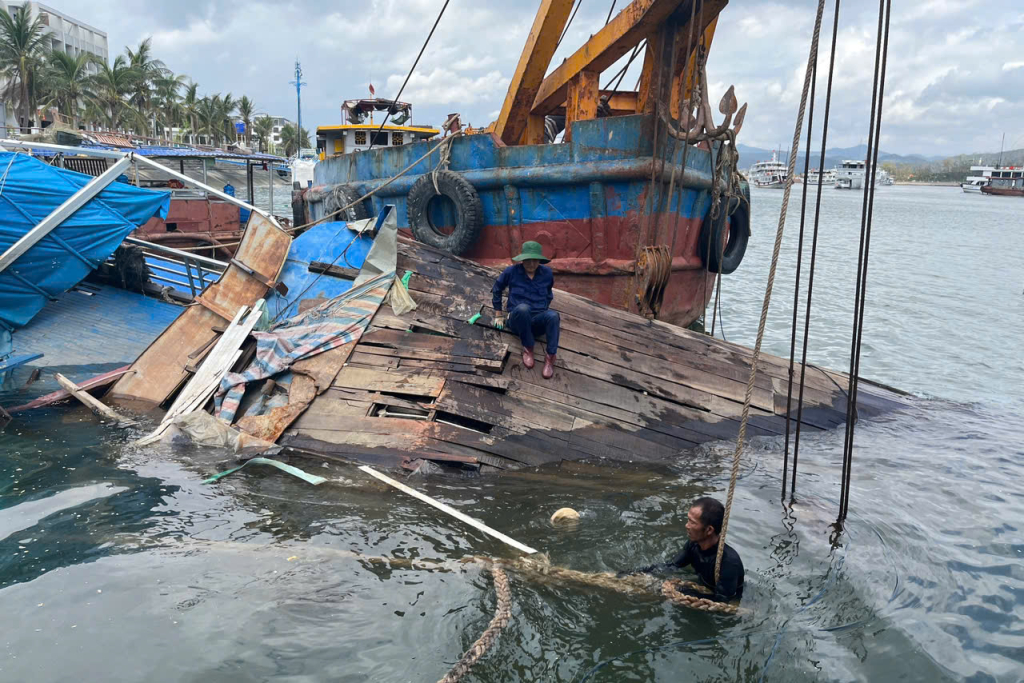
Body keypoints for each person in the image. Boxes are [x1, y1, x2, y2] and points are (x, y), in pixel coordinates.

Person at [627, 496, 744, 603]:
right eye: (688, 520)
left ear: (709, 530)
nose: (686, 526)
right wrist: (637, 572)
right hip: (703, 586)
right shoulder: (693, 545)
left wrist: (688, 593)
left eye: (692, 522)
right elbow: (671, 566)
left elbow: (723, 601)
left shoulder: (729, 563)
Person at [491, 241, 560, 379]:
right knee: (523, 309)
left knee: (553, 316)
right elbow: (496, 290)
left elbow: (548, 294)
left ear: (539, 260)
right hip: (517, 319)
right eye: (528, 260)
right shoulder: (511, 271)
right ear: (522, 259)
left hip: (537, 320)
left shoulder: (547, 273)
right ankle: (528, 347)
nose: (531, 264)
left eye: (535, 260)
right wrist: (498, 315)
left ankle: (550, 357)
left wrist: (543, 309)